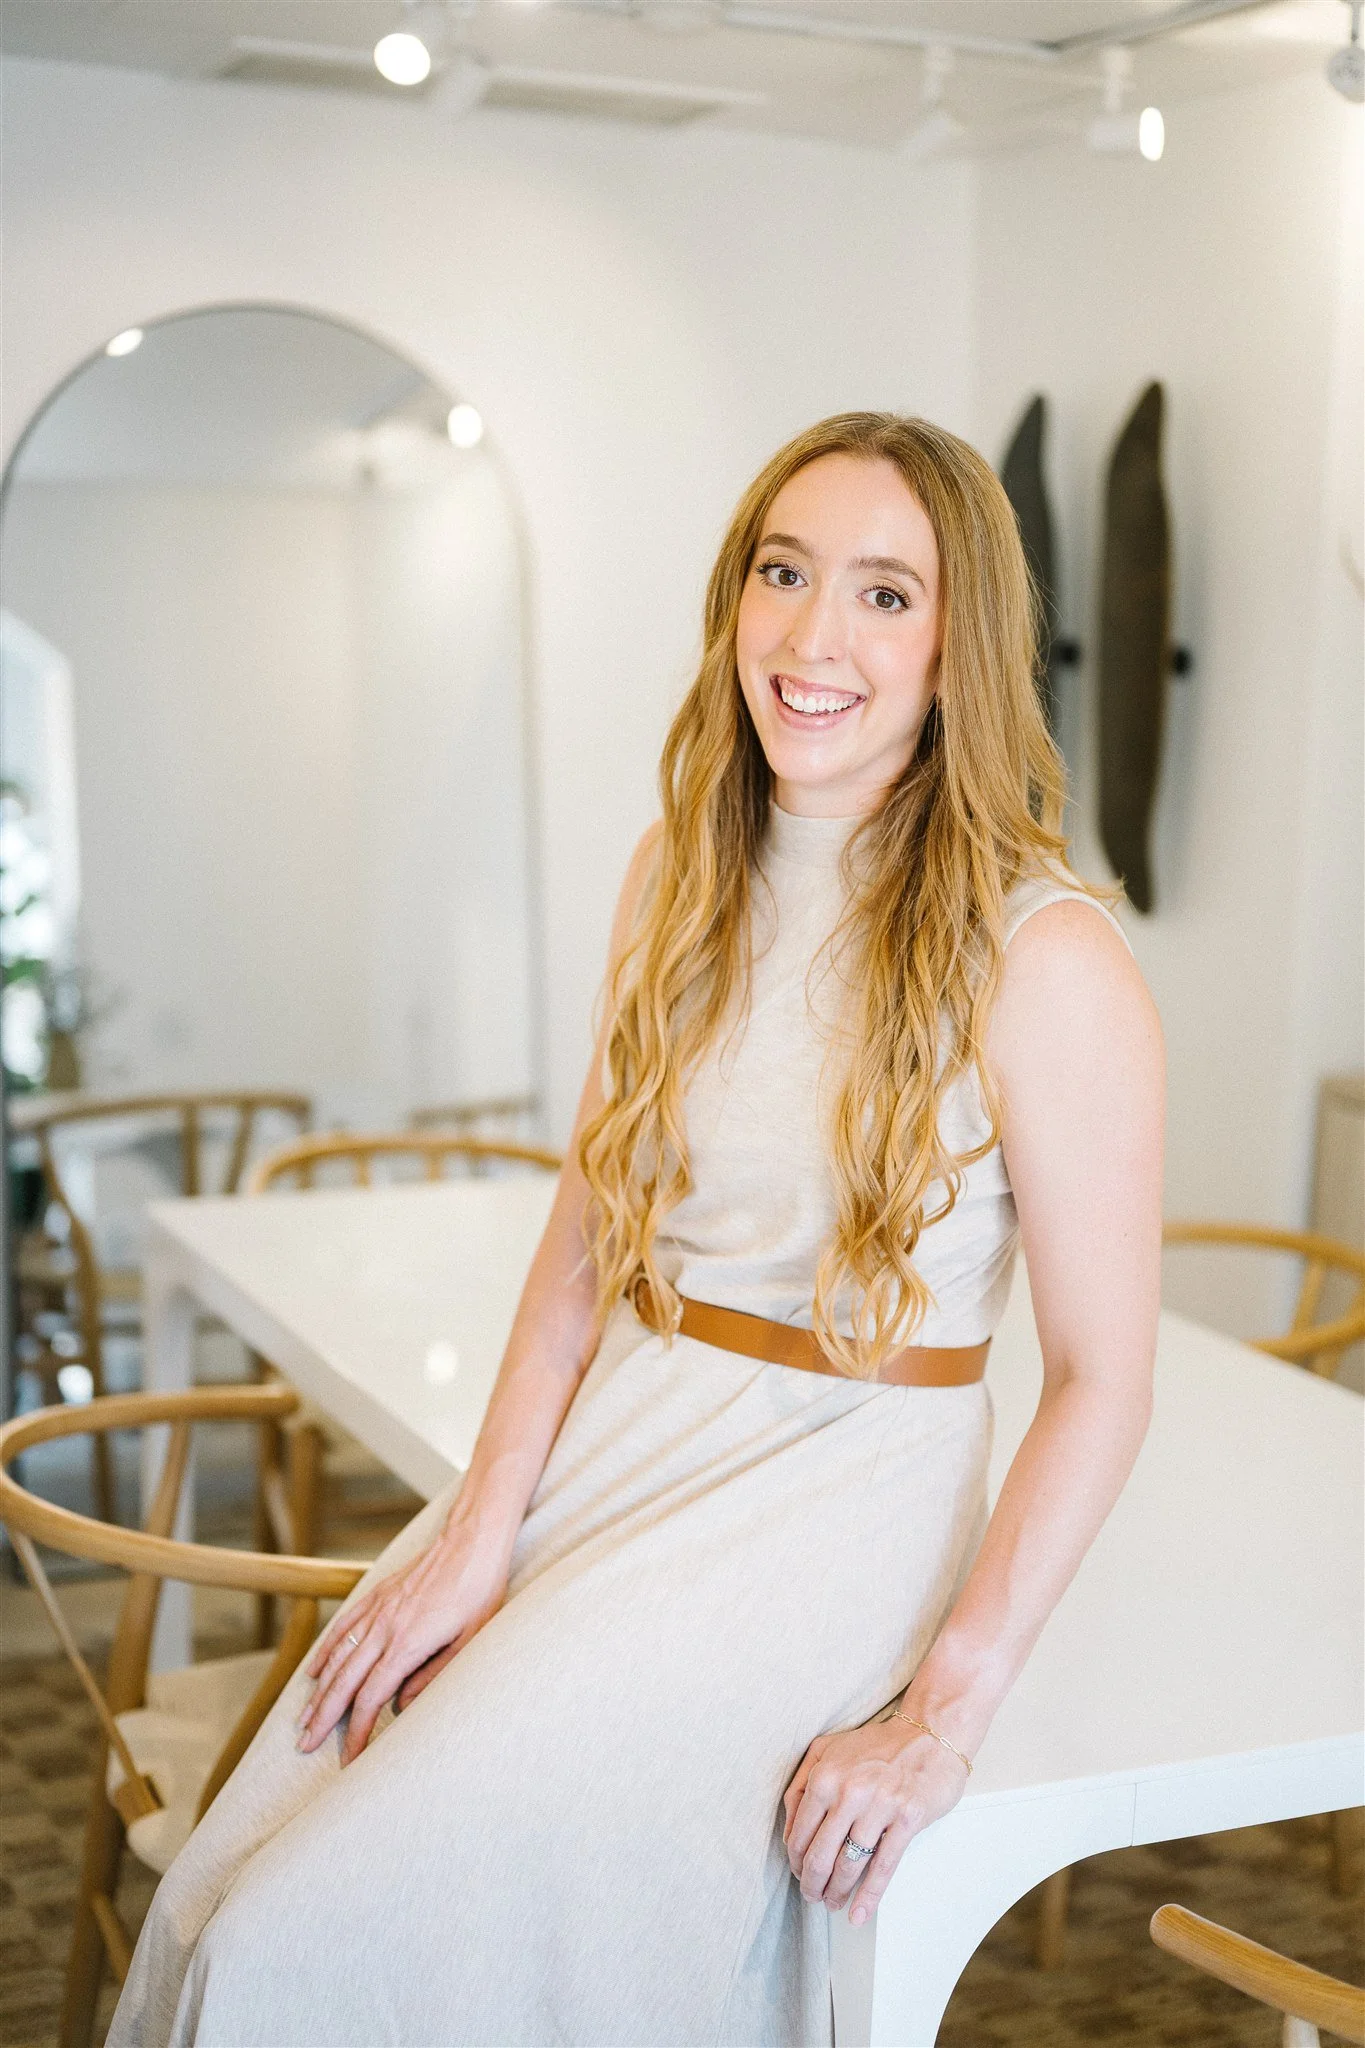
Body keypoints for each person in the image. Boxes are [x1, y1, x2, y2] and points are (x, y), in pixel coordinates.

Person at [110, 412, 1163, 2048]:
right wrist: (475, 1527)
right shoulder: (675, 871)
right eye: (786, 571)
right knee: (219, 1889)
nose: (817, 634)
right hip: (617, 1440)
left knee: (303, 1942)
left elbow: (1103, 1377)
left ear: (965, 648)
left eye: (888, 594)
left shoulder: (1048, 954)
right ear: (735, 599)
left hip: (830, 1502)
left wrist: (941, 1714)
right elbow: (585, 1245)